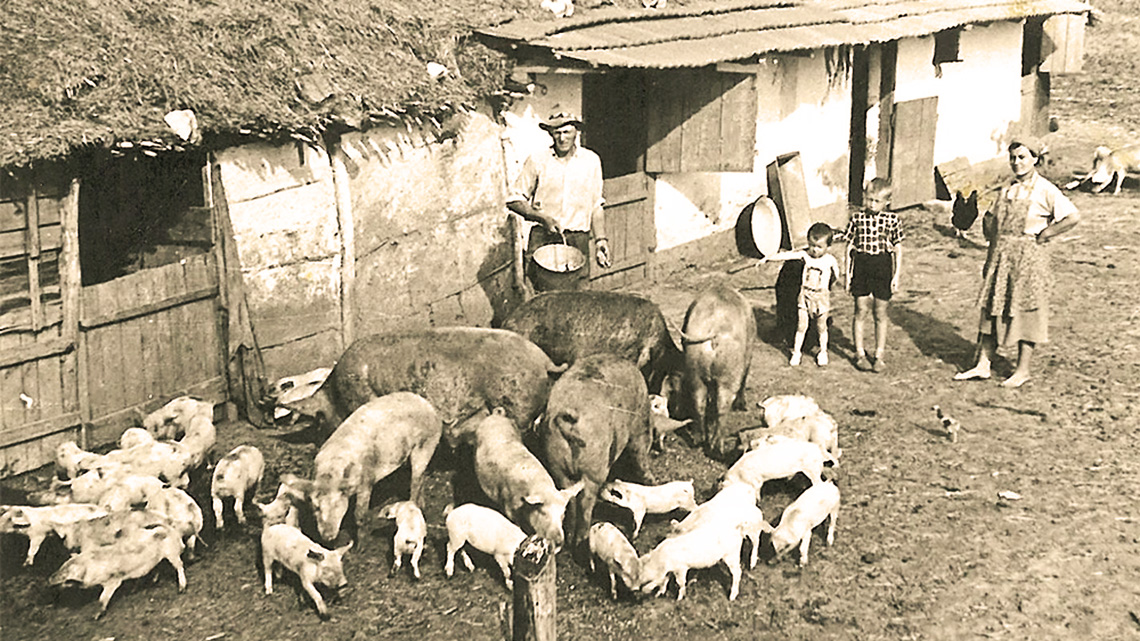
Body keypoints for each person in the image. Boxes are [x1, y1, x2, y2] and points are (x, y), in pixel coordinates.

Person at [953, 137, 1079, 388]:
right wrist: (990, 247)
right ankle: (983, 364)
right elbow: (992, 222)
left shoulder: (1046, 189)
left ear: (1035, 159)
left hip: (1029, 258)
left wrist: (1047, 233)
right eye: (1013, 158)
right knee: (992, 307)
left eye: (1022, 157)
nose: (1016, 162)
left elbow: (1073, 216)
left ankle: (1022, 370)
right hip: (1002, 254)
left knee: (1026, 311)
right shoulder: (1007, 189)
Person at [506, 110, 611, 291]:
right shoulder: (538, 160)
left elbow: (596, 205)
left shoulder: (591, 161)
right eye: (557, 132)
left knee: (578, 296)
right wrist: (541, 217)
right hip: (543, 239)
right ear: (550, 134)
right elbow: (514, 199)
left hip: (578, 238)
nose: (562, 138)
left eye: (567, 132)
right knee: (542, 297)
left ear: (576, 132)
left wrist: (601, 240)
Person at [837, 177, 904, 373]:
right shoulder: (857, 218)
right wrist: (847, 274)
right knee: (860, 309)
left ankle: (879, 355)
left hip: (882, 266)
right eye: (869, 199)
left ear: (887, 202)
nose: (871, 204)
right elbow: (849, 246)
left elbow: (899, 248)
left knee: (880, 312)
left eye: (876, 201)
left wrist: (896, 275)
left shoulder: (893, 220)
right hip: (862, 265)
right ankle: (859, 353)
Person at [761, 222, 841, 367]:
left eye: (819, 247)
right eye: (812, 246)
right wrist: (768, 257)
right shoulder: (801, 258)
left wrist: (827, 285)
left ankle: (821, 349)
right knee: (801, 325)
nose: (815, 250)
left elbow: (835, 275)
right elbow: (787, 256)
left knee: (821, 325)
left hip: (819, 298)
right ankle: (795, 347)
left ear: (827, 247)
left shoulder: (828, 261)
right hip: (803, 297)